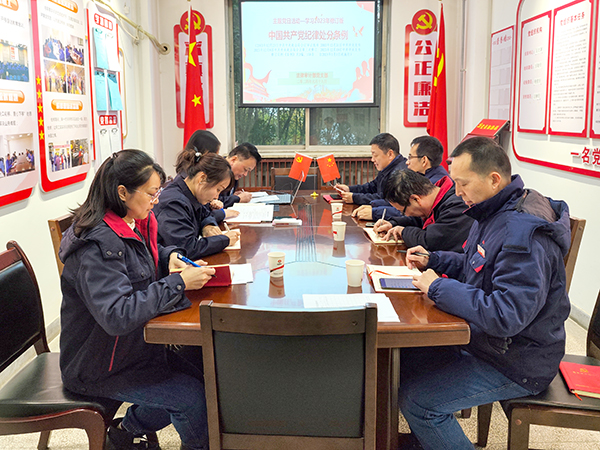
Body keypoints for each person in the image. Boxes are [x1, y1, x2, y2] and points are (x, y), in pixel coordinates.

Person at [399, 137, 571, 449]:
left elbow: (506, 314)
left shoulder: (522, 232)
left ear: (493, 179)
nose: (456, 191)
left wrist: (437, 286)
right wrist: (434, 259)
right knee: (404, 359)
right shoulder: (493, 210)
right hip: (493, 344)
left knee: (419, 403)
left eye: (463, 183)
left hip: (517, 360)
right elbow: (477, 263)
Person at [59, 149, 214, 450]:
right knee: (191, 399)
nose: (157, 200)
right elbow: (117, 315)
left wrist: (171, 259)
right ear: (122, 192)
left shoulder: (129, 223)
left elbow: (141, 263)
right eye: (152, 193)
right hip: (98, 364)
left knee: (206, 378)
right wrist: (178, 283)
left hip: (132, 350)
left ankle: (125, 431)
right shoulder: (97, 245)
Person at [154, 151, 241, 260]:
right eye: (218, 189)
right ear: (202, 179)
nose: (217, 196)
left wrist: (207, 225)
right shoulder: (174, 203)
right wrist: (224, 240)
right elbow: (186, 248)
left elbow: (206, 214)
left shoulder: (192, 193)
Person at [372, 169, 473, 252]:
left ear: (416, 199)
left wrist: (403, 232)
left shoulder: (456, 206)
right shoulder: (437, 199)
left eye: (403, 211)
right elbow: (419, 220)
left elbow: (430, 242)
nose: (406, 215)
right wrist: (393, 224)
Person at [353, 135, 449, 221]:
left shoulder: (434, 184)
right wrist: (374, 206)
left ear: (424, 160)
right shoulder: (426, 176)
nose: (407, 162)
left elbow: (409, 211)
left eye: (411, 157)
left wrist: (375, 212)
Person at [337, 133, 407, 207]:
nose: (372, 159)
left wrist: (354, 197)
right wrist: (349, 189)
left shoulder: (401, 174)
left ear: (390, 154)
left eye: (375, 155)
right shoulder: (386, 168)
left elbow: (385, 200)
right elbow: (372, 187)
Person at [209, 143, 262, 220]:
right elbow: (213, 202)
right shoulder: (215, 171)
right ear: (233, 160)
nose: (245, 174)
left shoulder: (234, 174)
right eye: (245, 169)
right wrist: (237, 198)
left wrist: (232, 196)